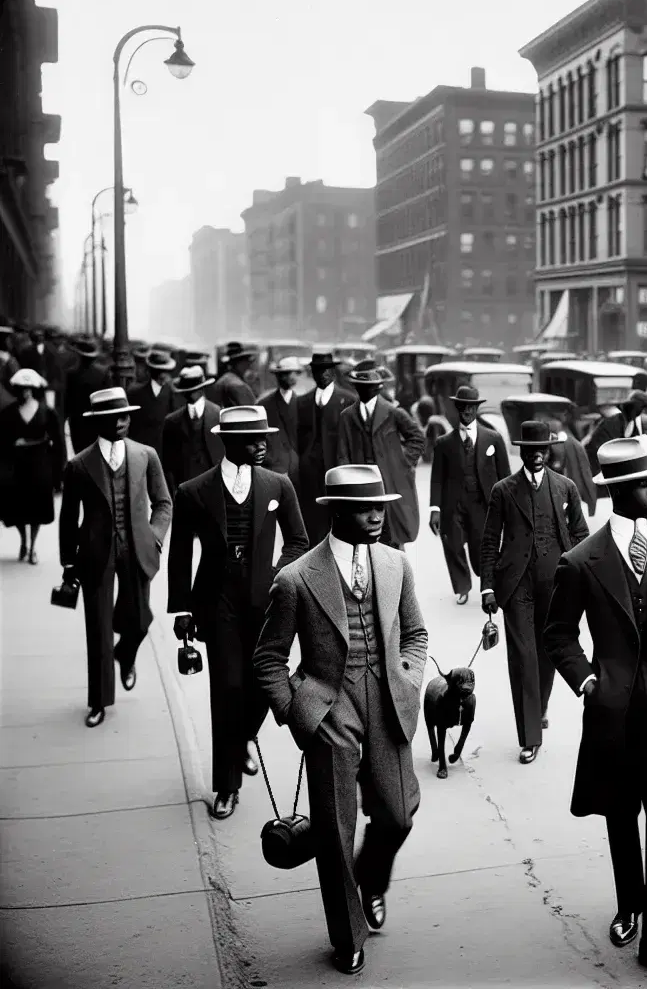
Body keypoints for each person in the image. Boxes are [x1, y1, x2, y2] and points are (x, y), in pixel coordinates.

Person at [252, 464, 429, 976]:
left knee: (397, 815)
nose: (377, 515)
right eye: (364, 507)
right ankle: (347, 936)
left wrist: (410, 682)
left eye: (380, 505)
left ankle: (371, 881)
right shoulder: (296, 578)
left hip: (389, 705)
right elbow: (269, 659)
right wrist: (298, 713)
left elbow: (416, 634)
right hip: (331, 710)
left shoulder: (396, 565)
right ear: (335, 511)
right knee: (334, 832)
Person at [542, 435, 647, 982]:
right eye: (643, 483)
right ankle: (628, 903)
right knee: (620, 813)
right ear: (616, 491)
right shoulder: (580, 561)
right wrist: (587, 681)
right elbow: (559, 635)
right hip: (613, 712)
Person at [167, 405, 308, 820]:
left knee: (265, 685)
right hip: (217, 602)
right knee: (227, 689)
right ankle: (227, 786)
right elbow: (179, 556)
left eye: (264, 437)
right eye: (252, 439)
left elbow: (298, 541)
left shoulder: (278, 485)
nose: (262, 445)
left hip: (267, 604)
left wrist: (275, 576)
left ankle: (242, 737)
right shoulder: (193, 491)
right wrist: (181, 610)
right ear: (227, 442)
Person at [58, 387, 173, 728]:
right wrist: (68, 562)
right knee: (98, 629)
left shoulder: (146, 455)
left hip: (138, 549)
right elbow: (68, 517)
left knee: (139, 620)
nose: (122, 422)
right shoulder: (79, 465)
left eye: (125, 416)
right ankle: (98, 702)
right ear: (99, 422)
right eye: (114, 418)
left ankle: (126, 653)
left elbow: (163, 503)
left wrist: (155, 537)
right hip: (95, 553)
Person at [478, 420, 588, 764]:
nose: (536, 455)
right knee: (523, 657)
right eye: (529, 450)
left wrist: (584, 578)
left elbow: (581, 535)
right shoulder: (503, 490)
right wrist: (487, 586)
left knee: (548, 653)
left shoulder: (565, 488)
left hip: (556, 583)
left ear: (549, 450)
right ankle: (529, 736)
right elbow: (488, 541)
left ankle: (537, 707)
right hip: (515, 584)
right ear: (521, 451)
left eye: (542, 449)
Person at [430, 385, 510, 604]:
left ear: (477, 409)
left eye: (472, 407)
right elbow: (437, 478)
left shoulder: (493, 438)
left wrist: (508, 506)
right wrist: (435, 509)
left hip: (482, 504)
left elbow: (506, 476)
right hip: (452, 504)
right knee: (453, 545)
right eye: (464, 407)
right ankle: (462, 587)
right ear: (457, 408)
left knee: (481, 546)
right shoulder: (444, 443)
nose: (467, 411)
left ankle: (487, 585)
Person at [335, 361, 425, 550]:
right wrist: (347, 485)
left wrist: (403, 462)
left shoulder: (393, 413)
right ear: (355, 387)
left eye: (370, 387)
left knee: (391, 535)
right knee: (362, 535)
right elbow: (342, 455)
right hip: (361, 485)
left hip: (389, 483)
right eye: (361, 386)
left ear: (378, 388)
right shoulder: (347, 416)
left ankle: (395, 575)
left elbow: (417, 437)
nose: (365, 390)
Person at [0, 368, 62, 563]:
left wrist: (59, 473)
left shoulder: (47, 412)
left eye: (28, 388)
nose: (24, 392)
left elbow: (58, 442)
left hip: (40, 465)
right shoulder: (8, 413)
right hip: (16, 466)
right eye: (21, 388)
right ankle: (23, 541)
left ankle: (33, 547)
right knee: (17, 508)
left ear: (34, 389)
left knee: (37, 508)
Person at [296, 350, 359, 541]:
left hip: (337, 471)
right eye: (317, 370)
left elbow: (352, 439)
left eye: (326, 370)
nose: (322, 374)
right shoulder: (302, 402)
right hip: (309, 474)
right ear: (312, 373)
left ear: (333, 372)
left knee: (338, 521)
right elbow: (298, 436)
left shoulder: (348, 400)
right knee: (311, 521)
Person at [161, 365, 224, 490]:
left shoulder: (219, 415)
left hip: (214, 484)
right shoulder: (172, 421)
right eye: (187, 391)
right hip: (185, 486)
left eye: (194, 389)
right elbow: (167, 464)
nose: (190, 394)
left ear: (202, 389)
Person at [256, 356, 305, 476]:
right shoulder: (264, 404)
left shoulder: (303, 403)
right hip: (274, 468)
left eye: (290, 373)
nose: (286, 377)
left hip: (299, 468)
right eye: (282, 374)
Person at [63, 337, 112, 453]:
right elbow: (107, 400)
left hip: (77, 420)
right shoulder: (103, 373)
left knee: (80, 452)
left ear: (80, 355)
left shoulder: (71, 374)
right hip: (97, 420)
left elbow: (67, 400)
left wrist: (67, 417)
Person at [126, 349, 179, 453]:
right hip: (140, 450)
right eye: (164, 371)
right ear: (154, 372)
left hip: (165, 451)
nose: (167, 375)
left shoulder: (173, 393)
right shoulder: (134, 393)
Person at [213, 342, 258, 407]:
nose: (248, 365)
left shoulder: (221, 381)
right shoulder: (239, 385)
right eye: (246, 361)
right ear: (240, 363)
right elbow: (251, 410)